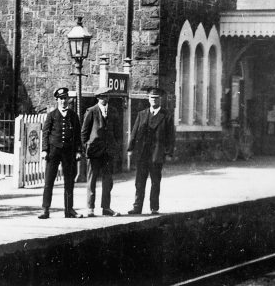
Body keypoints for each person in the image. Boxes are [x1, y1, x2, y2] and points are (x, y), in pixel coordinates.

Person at [127, 87, 175, 215]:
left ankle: (154, 207)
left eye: (156, 98)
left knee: (155, 181)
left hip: (157, 154)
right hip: (142, 153)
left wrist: (169, 153)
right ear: (148, 99)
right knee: (139, 181)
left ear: (160, 99)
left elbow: (170, 137)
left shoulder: (167, 116)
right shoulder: (142, 114)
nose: (154, 100)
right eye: (151, 98)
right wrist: (130, 148)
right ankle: (137, 207)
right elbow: (134, 132)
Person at [39, 87, 83, 219]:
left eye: (65, 98)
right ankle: (45, 209)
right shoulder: (51, 115)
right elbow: (45, 133)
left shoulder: (73, 116)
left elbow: (77, 135)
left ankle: (69, 210)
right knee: (49, 180)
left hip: (68, 152)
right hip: (53, 151)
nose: (63, 101)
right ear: (57, 100)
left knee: (69, 181)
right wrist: (45, 150)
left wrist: (78, 151)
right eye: (60, 99)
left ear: (68, 100)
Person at [81, 86, 121, 217]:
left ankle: (106, 208)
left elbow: (118, 132)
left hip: (108, 151)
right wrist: (87, 147)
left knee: (108, 180)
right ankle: (90, 208)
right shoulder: (91, 111)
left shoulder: (114, 111)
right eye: (103, 96)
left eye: (107, 96)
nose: (106, 99)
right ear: (98, 97)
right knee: (92, 180)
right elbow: (84, 133)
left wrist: (115, 146)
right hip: (94, 151)